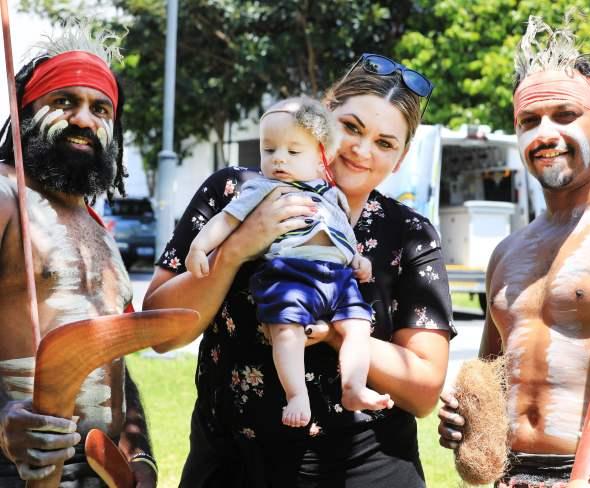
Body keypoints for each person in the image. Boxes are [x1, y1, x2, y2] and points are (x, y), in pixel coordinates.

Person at [144, 52, 455, 487]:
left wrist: (333, 332)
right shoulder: (236, 191)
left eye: (386, 143)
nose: (362, 151)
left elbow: (423, 389)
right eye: (351, 127)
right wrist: (235, 250)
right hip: (231, 465)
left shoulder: (408, 233)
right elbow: (159, 332)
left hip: (364, 470)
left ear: (400, 159)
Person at [438, 16, 590, 487]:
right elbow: (491, 374)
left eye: (565, 115)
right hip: (514, 476)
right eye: (529, 121)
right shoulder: (509, 252)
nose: (545, 134)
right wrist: (466, 417)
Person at [0, 23, 157, 487]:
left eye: (100, 108)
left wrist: (139, 454)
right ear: (26, 110)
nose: (85, 119)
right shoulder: (6, 197)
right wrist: (4, 416)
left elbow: (115, 364)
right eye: (64, 101)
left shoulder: (97, 228)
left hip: (95, 474)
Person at [185, 96, 392, 428]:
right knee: (286, 331)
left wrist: (356, 257)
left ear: (321, 157)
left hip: (338, 276)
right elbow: (226, 220)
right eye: (269, 150)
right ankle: (297, 394)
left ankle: (353, 387)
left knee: (356, 328)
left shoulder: (330, 194)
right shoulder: (263, 189)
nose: (279, 159)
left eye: (293, 152)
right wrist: (199, 246)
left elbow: (340, 228)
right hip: (290, 272)